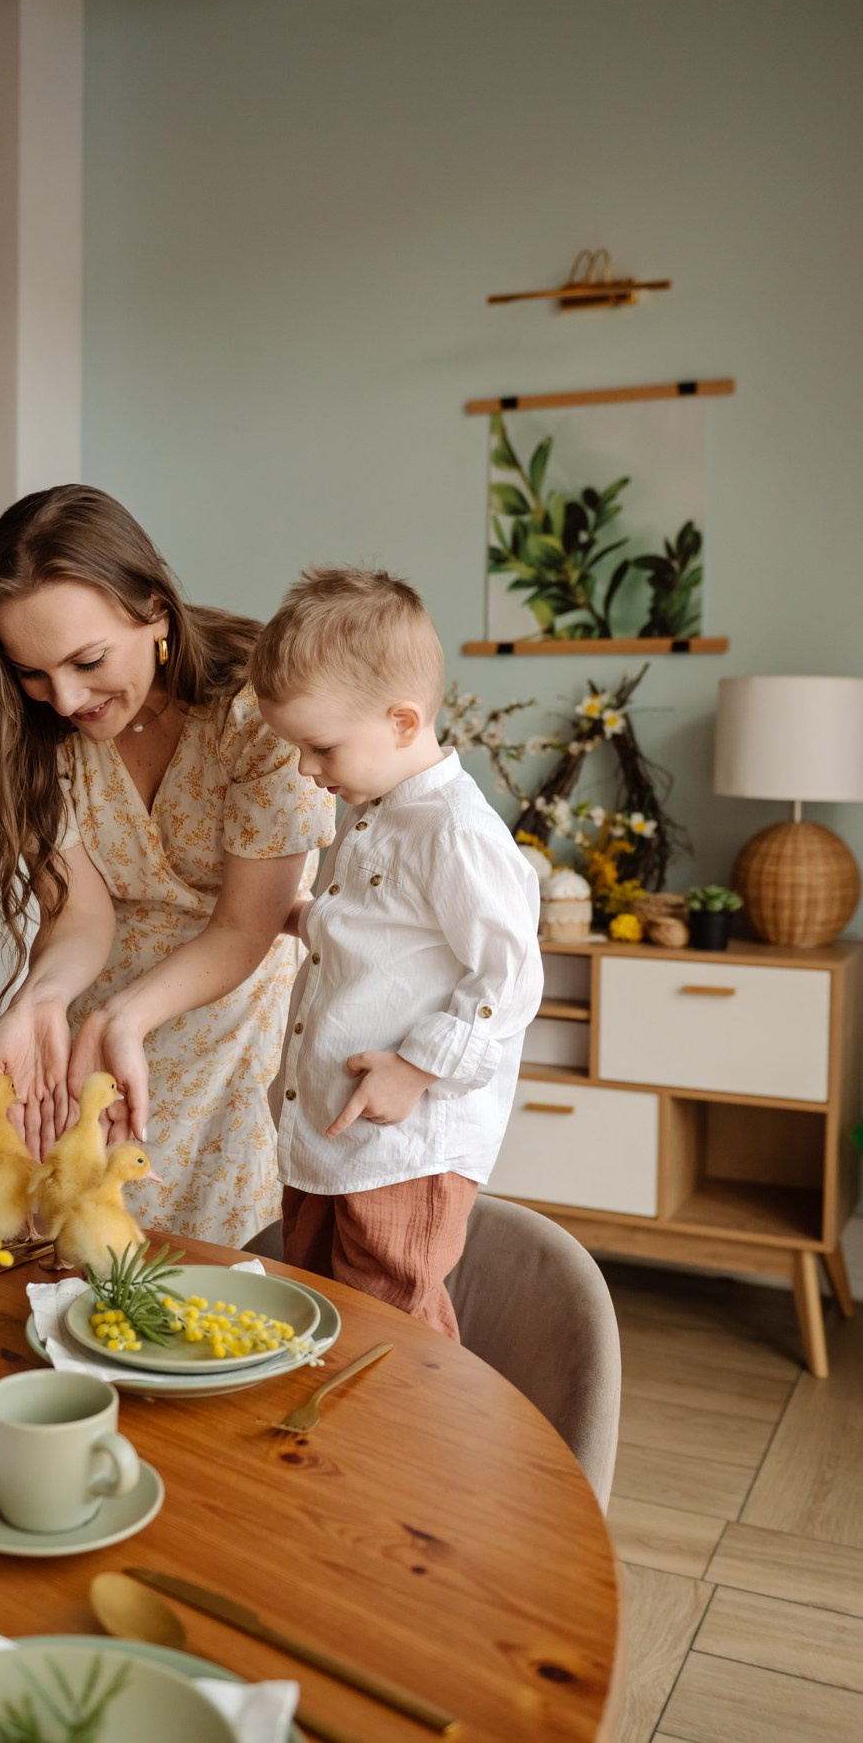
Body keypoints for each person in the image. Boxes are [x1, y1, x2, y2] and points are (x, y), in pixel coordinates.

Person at [0, 486, 336, 1245]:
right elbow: (80, 911)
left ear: (156, 611)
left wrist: (123, 1016)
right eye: (31, 672)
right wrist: (44, 996)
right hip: (98, 1026)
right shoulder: (30, 732)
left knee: (217, 1284)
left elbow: (243, 926)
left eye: (87, 660)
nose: (63, 698)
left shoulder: (257, 713)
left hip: (235, 1024)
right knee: (77, 1270)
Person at [251, 566, 543, 1335]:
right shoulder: (381, 812)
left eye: (319, 748)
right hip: (330, 1129)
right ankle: (328, 1443)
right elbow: (380, 939)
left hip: (405, 1147)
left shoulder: (455, 831)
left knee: (391, 1322)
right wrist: (302, 919)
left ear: (404, 722)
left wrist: (417, 1067)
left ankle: (424, 1451)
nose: (307, 770)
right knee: (315, 1305)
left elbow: (508, 976)